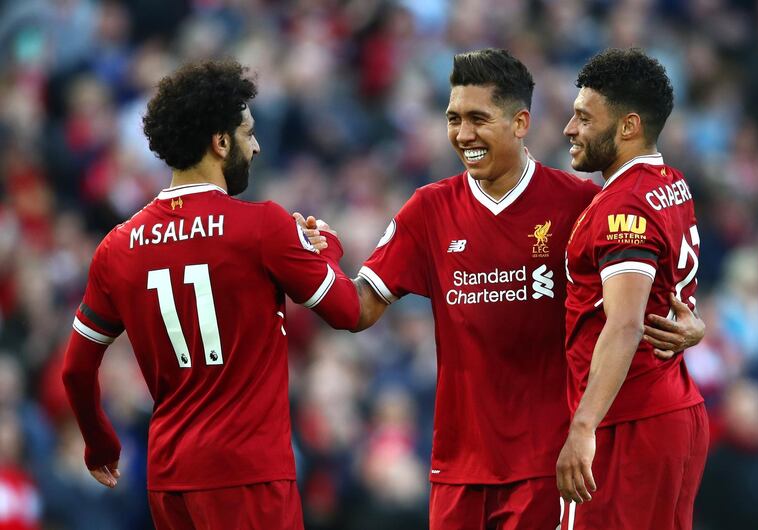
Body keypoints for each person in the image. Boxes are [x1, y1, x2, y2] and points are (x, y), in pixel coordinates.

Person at [299, 48, 703, 530]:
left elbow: (643, 295)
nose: (463, 134)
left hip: (550, 466)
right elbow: (357, 310)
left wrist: (692, 325)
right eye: (453, 119)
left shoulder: (581, 204)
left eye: (477, 118)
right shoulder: (428, 211)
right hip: (457, 470)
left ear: (520, 123)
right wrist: (317, 262)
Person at [61, 59, 360, 530]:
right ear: (221, 142)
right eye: (248, 133)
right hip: (249, 476)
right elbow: (348, 311)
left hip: (169, 479)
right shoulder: (263, 227)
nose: (257, 146)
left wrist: (100, 443)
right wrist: (328, 249)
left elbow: (76, 369)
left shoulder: (117, 246)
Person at [556, 48, 708, 529]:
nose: (569, 128)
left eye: (583, 117)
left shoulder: (625, 206)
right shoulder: (670, 181)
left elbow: (624, 324)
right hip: (672, 407)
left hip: (628, 422)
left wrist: (582, 426)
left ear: (627, 127)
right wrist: (697, 328)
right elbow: (669, 295)